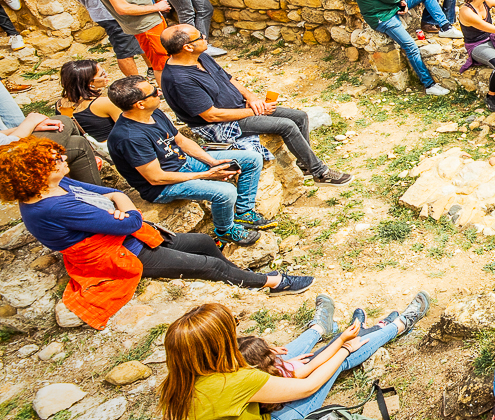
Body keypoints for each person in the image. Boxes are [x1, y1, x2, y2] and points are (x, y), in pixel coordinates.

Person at [0, 137, 300, 327]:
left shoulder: (57, 186)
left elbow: (109, 193)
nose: (63, 158)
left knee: (202, 241)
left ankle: (238, 275)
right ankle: (270, 282)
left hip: (124, 237)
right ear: (35, 173)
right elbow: (129, 221)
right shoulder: (52, 207)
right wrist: (122, 207)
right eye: (53, 160)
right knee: (208, 266)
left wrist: (118, 202)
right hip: (117, 253)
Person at [161, 295, 426, 420]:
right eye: (232, 333)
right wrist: (343, 349)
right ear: (217, 346)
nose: (237, 337)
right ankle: (397, 325)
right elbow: (309, 385)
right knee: (330, 366)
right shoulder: (233, 383)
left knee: (286, 362)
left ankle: (322, 329)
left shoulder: (178, 379)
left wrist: (276, 361)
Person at [158, 25, 351, 185]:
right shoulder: (180, 80)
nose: (204, 37)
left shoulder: (200, 57)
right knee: (286, 125)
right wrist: (251, 112)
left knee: (299, 116)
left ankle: (305, 164)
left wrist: (251, 97)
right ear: (187, 47)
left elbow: (228, 79)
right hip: (221, 124)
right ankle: (320, 172)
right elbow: (211, 116)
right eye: (199, 36)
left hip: (240, 107)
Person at [106, 75, 277, 248]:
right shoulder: (129, 137)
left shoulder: (153, 113)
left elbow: (181, 141)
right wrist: (207, 175)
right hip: (162, 186)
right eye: (153, 92)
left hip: (183, 162)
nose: (159, 92)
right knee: (226, 192)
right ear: (140, 104)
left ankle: (244, 212)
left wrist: (211, 161)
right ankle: (225, 230)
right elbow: (156, 178)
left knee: (252, 158)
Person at [352, 0, 450, 96]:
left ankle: (445, 26)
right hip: (382, 16)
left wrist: (400, 1)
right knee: (410, 46)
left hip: (389, 6)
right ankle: (429, 85)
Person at [58, 59, 123, 144]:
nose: (106, 75)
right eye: (102, 74)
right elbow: (129, 129)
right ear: (89, 82)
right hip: (111, 150)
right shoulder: (104, 103)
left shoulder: (60, 104)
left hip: (87, 151)